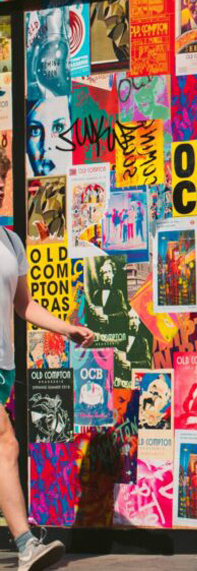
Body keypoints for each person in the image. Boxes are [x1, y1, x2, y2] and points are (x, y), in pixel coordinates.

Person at [0, 224, 95, 570]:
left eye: (1, 193)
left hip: (3, 365)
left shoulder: (11, 241)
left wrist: (66, 328)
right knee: (5, 443)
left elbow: (24, 304)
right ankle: (26, 544)